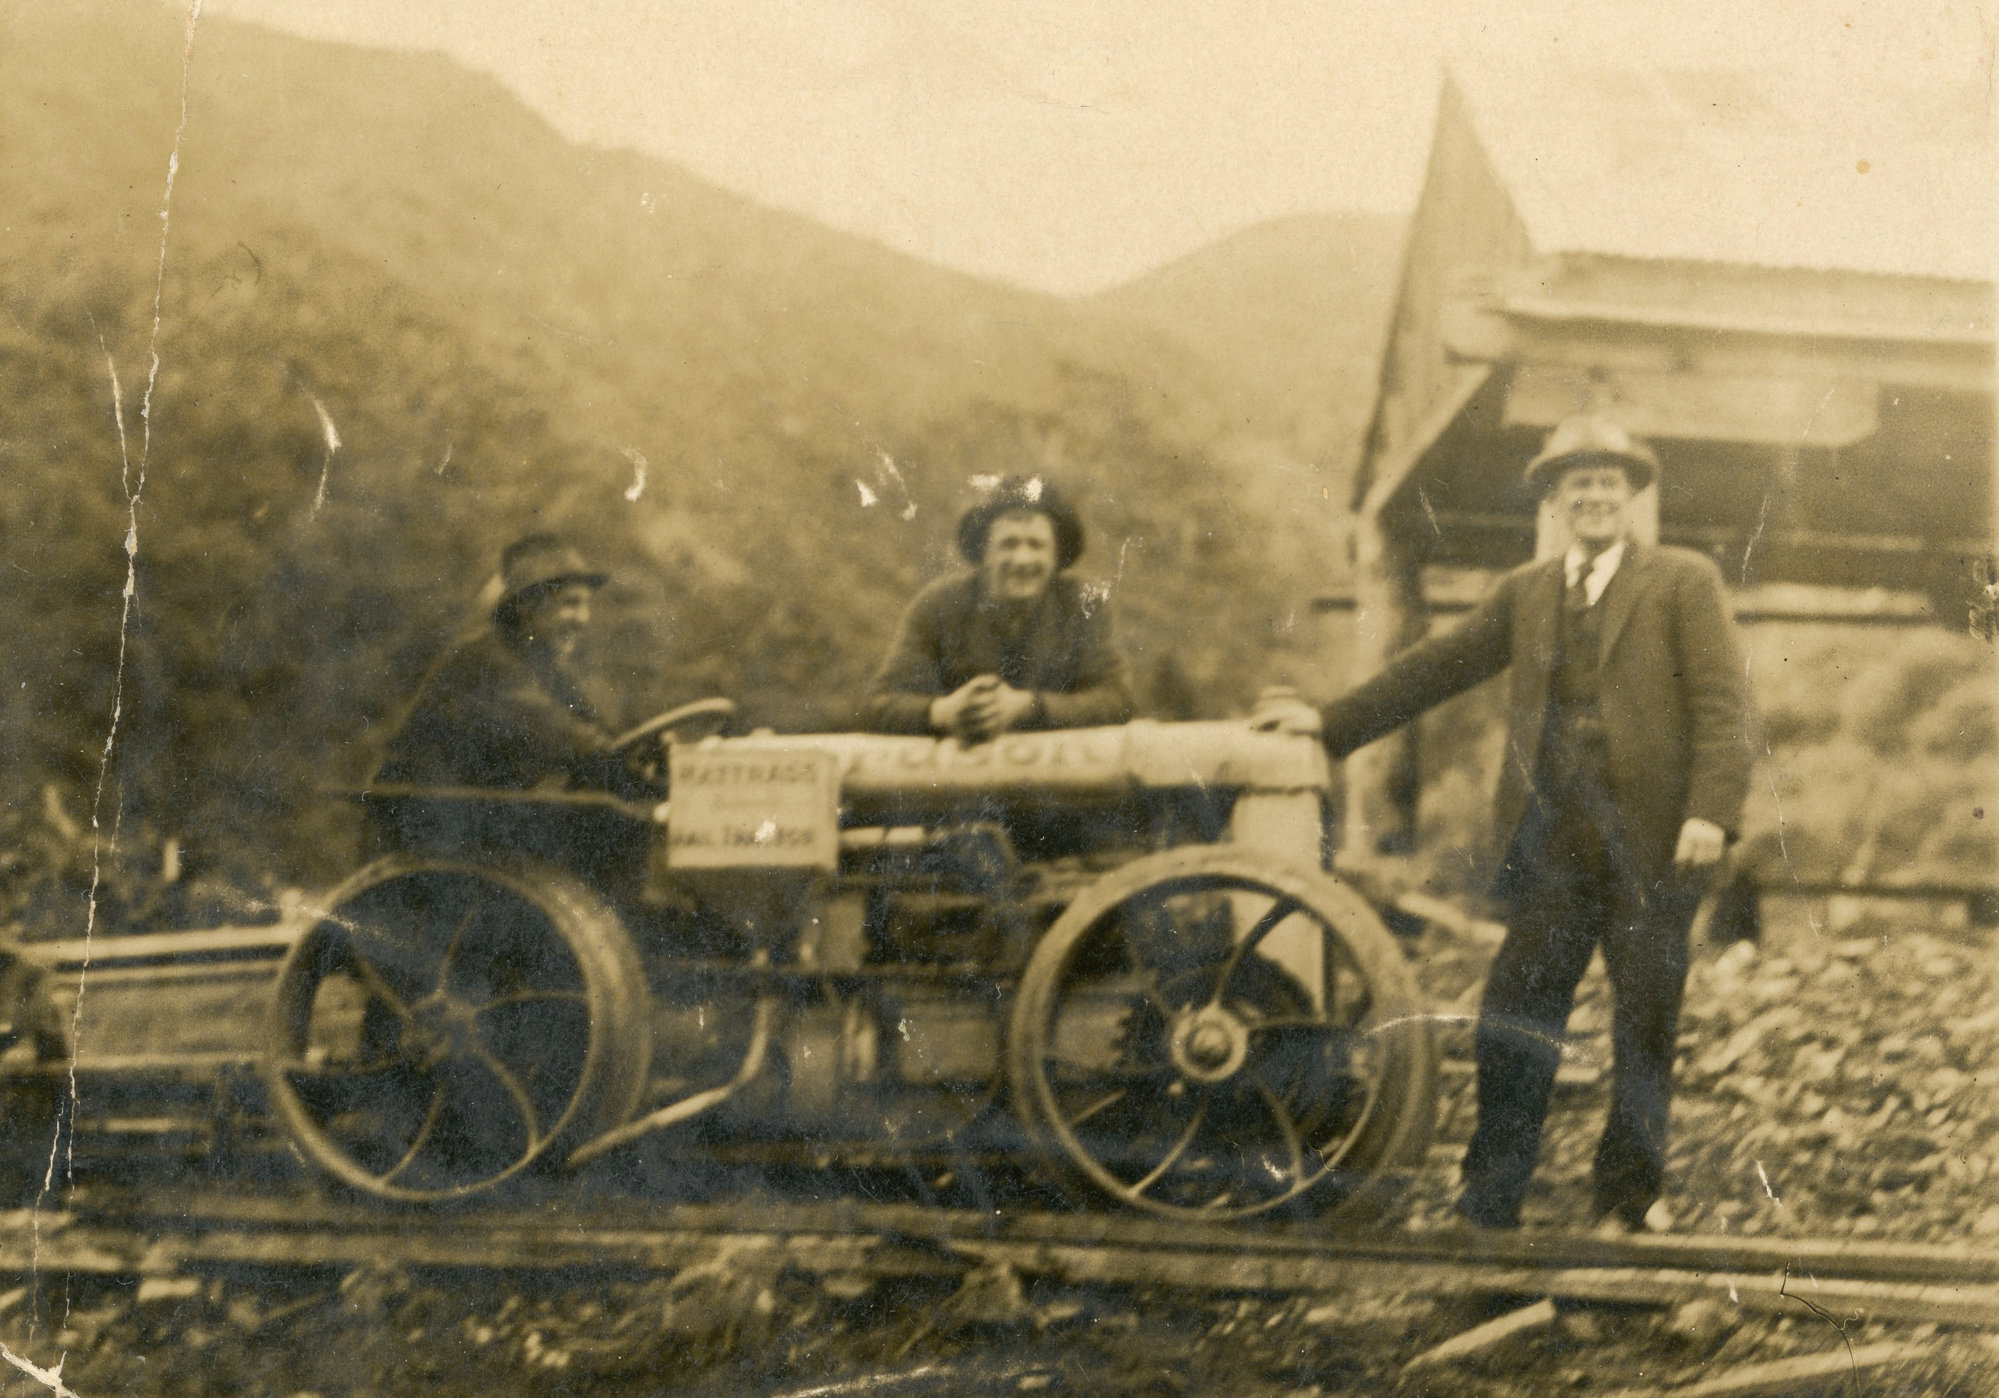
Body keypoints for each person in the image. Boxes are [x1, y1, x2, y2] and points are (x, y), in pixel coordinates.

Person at [1260, 415, 1753, 1233]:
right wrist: (1324, 724)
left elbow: (1721, 709)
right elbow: (1435, 667)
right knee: (1512, 1022)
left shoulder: (1682, 580)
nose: (1593, 497)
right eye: (1576, 484)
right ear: (1554, 501)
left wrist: (1710, 812)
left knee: (1644, 1024)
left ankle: (1628, 1203)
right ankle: (1490, 1200)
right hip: (1551, 846)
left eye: (1607, 483)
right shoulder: (1525, 593)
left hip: (1653, 846)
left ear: (1630, 496)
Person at [861, 475, 1133, 740]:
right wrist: (940, 712)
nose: (1022, 559)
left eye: (1036, 545)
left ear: (1055, 556)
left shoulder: (1084, 603)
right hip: (957, 776)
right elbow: (879, 705)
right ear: (985, 552)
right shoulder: (938, 604)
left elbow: (1117, 701)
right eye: (1009, 544)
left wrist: (1030, 707)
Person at [374, 533, 628, 793]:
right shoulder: (483, 658)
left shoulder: (544, 666)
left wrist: (641, 753)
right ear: (528, 606)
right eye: (570, 603)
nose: (583, 619)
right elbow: (554, 729)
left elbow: (593, 725)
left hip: (476, 812)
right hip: (423, 815)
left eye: (587, 605)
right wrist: (617, 756)